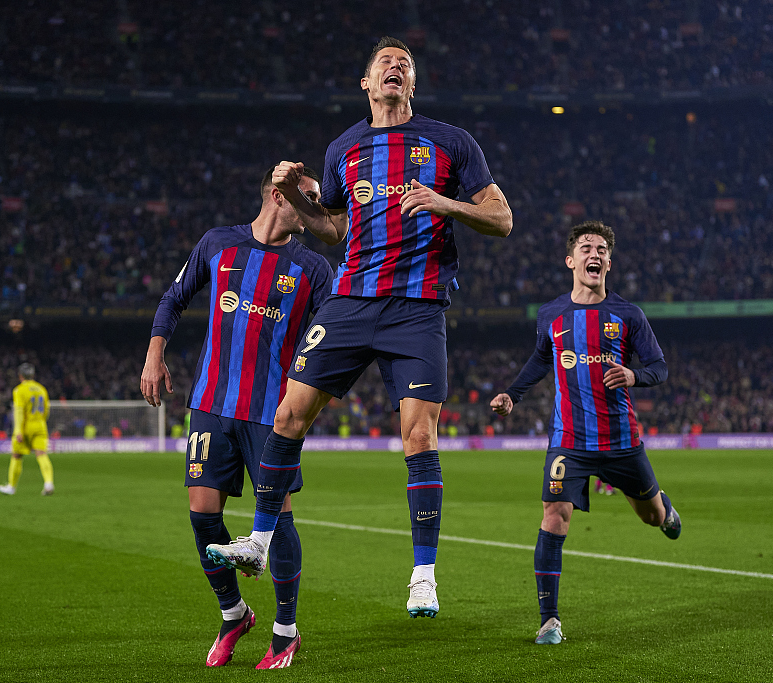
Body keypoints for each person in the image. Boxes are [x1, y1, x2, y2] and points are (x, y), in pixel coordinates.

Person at [206, 36, 513, 620]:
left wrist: (447, 205)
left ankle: (424, 576)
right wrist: (295, 191)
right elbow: (335, 231)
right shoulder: (343, 148)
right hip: (350, 302)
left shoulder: (450, 142)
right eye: (384, 64)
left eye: (405, 65)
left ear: (412, 86)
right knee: (289, 415)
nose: (395, 68)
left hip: (417, 308)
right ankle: (260, 543)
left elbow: (501, 217)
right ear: (367, 85)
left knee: (418, 436)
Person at [140, 166, 333, 669]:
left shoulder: (314, 269)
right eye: (306, 199)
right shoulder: (219, 243)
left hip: (272, 415)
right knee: (203, 515)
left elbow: (329, 341)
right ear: (277, 196)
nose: (315, 209)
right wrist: (154, 354)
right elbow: (173, 298)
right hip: (210, 405)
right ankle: (233, 613)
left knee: (281, 519)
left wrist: (315, 394)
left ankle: (285, 631)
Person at [490, 220, 681, 645]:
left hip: (620, 441)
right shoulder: (551, 314)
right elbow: (540, 361)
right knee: (554, 517)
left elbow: (660, 367)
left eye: (601, 249)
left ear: (609, 262)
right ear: (570, 259)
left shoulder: (629, 315)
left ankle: (664, 510)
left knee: (651, 517)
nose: (593, 254)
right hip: (569, 442)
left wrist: (634, 375)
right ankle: (549, 620)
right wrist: (511, 395)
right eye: (586, 247)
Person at [0, 363, 54, 496]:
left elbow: (18, 411)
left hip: (25, 425)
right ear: (33, 375)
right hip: (40, 425)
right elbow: (47, 410)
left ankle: (11, 487)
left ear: (20, 376)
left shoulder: (19, 390)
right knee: (41, 454)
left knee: (17, 455)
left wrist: (18, 430)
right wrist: (41, 421)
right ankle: (49, 483)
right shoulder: (42, 389)